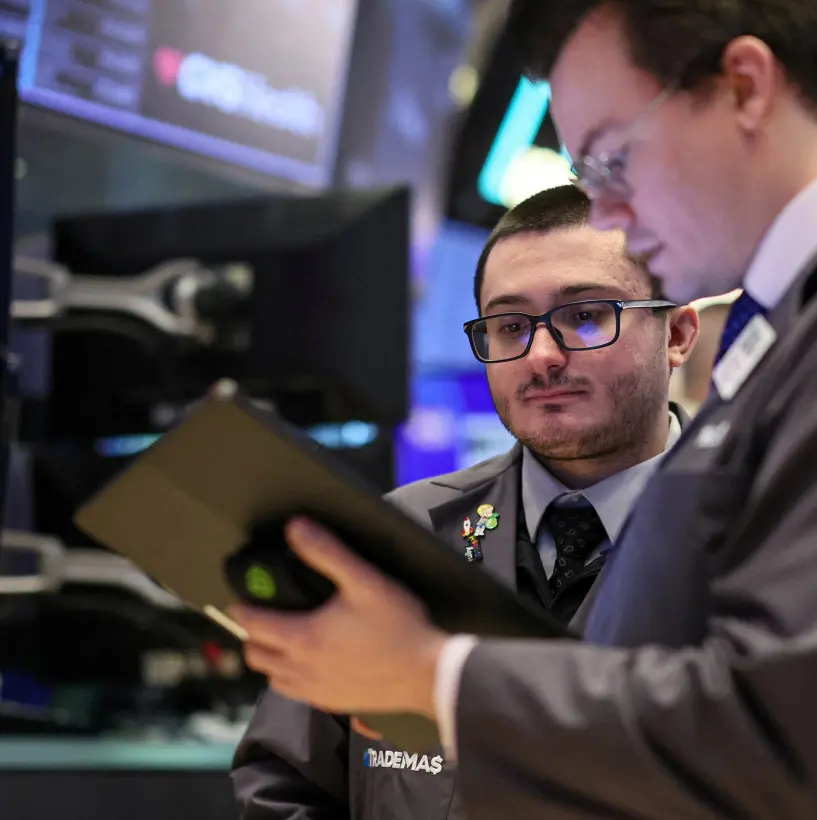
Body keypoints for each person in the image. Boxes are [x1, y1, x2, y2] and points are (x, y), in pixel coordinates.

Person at [229, 2, 817, 818]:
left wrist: (433, 675)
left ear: (745, 86)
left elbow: (788, 747)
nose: (607, 209)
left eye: (613, 157)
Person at [228, 184, 698, 819]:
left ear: (676, 333)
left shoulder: (759, 543)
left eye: (585, 316)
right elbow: (283, 786)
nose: (542, 356)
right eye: (509, 327)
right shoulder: (400, 536)